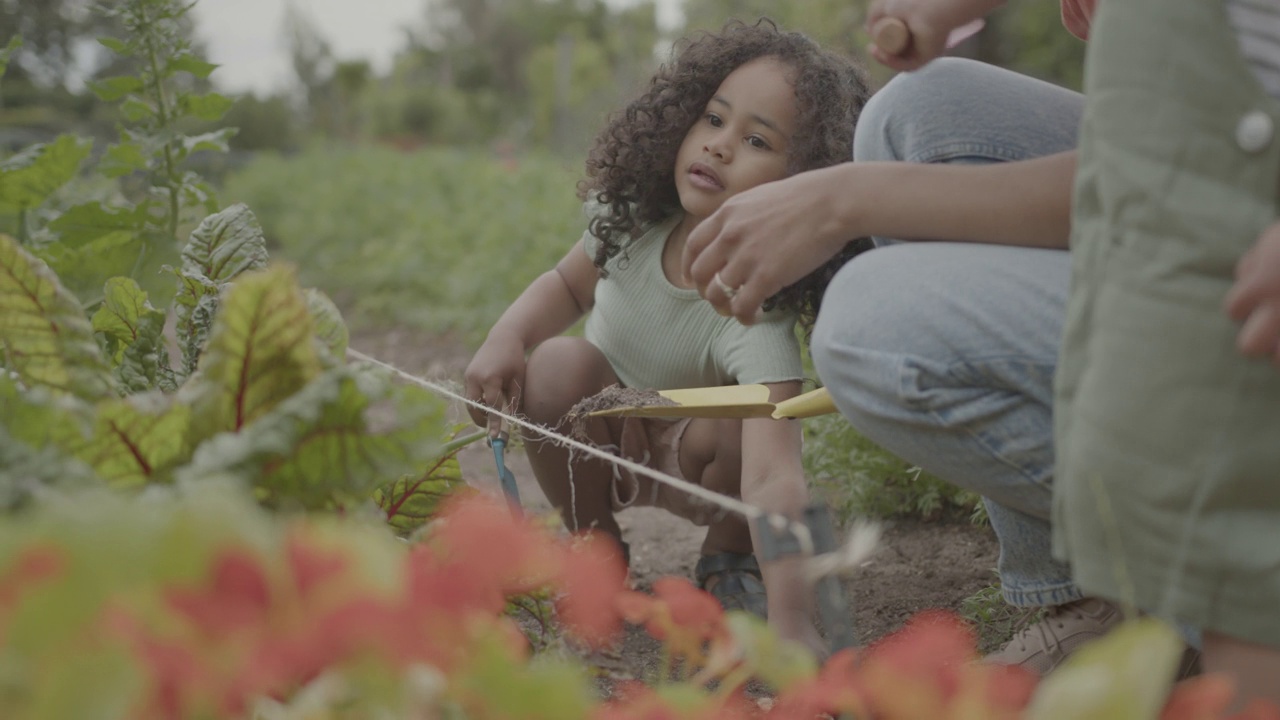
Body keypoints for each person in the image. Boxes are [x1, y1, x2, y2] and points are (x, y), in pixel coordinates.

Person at [463, 18, 872, 654]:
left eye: (758, 140)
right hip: (603, 424)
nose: (719, 146)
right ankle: (594, 545)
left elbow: (773, 480)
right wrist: (507, 335)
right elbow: (568, 289)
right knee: (556, 364)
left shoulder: (753, 312)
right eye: (713, 119)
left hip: (701, 460)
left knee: (747, 424)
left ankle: (730, 557)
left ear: (802, 187)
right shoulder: (633, 223)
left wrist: (793, 625)